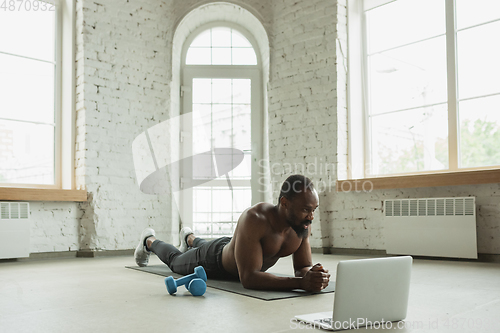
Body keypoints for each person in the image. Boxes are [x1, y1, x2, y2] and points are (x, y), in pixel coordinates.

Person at [134, 174, 330, 292]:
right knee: (177, 261)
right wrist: (301, 284)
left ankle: (189, 238)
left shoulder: (301, 225)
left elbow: (303, 266)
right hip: (215, 261)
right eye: (306, 209)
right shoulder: (255, 218)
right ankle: (149, 241)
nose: (311, 216)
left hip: (237, 248)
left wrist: (313, 276)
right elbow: (249, 277)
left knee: (219, 245)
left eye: (314, 209)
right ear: (285, 203)